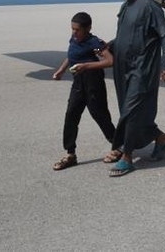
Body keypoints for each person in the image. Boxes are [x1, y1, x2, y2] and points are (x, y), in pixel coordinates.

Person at [106, 0, 165, 177]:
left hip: (143, 68)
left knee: (131, 110)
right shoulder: (125, 7)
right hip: (123, 68)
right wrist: (108, 45)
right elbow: (125, 35)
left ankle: (127, 156)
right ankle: (161, 139)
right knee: (131, 110)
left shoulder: (150, 6)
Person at [50, 12, 117, 170]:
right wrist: (61, 70)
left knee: (100, 116)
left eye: (77, 29)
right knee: (71, 115)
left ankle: (118, 146)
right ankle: (70, 153)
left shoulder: (94, 42)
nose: (74, 32)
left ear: (88, 29)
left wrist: (86, 66)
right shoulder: (74, 39)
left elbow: (110, 61)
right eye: (72, 29)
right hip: (78, 83)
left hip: (94, 83)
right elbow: (71, 55)